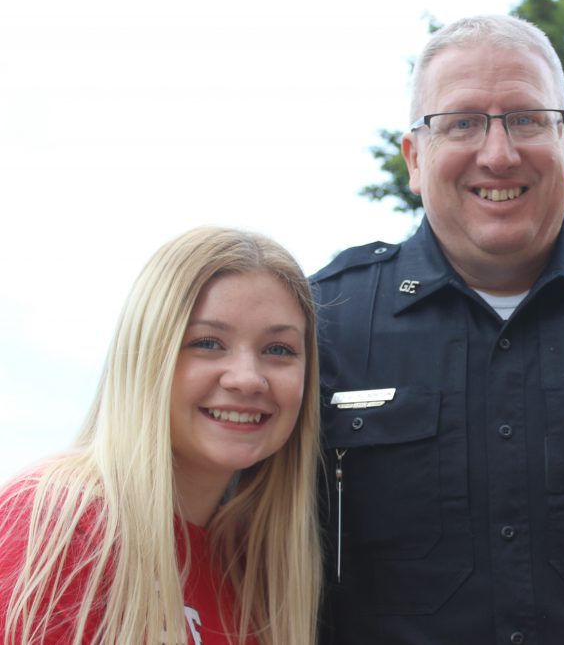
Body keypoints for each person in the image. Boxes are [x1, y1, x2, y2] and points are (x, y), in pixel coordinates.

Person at [312, 14, 564, 644]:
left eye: (528, 119)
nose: (498, 153)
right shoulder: (321, 327)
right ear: (415, 158)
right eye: (462, 123)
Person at [0, 227, 322, 644]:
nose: (247, 379)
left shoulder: (253, 570)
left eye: (278, 350)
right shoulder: (58, 525)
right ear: (149, 354)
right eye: (208, 342)